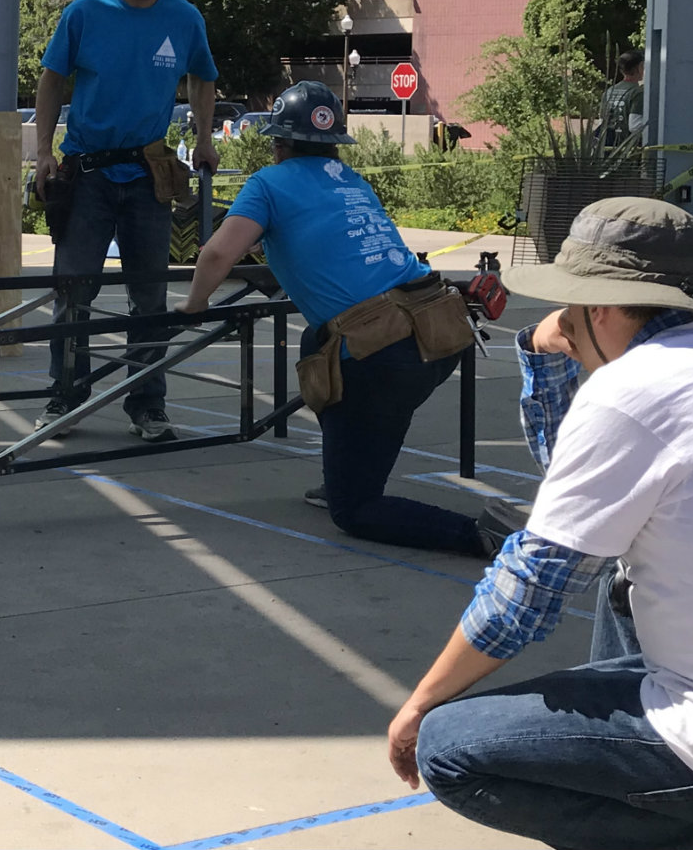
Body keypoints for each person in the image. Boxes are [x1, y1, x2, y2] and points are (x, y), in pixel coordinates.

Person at [387, 197, 693, 849]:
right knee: (614, 563)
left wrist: (417, 705)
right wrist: (543, 353)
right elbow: (577, 505)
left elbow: (531, 585)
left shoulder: (636, 385)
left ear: (601, 306)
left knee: (449, 746)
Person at [181, 81, 487, 555]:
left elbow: (217, 255)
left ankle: (481, 535)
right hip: (435, 329)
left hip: (379, 350)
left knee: (356, 511)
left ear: (278, 144)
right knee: (318, 349)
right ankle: (347, 473)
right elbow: (338, 248)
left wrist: (194, 306)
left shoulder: (267, 182)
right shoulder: (353, 182)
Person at [33, 0, 220, 443]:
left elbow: (202, 78)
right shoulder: (85, 14)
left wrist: (205, 139)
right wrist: (44, 150)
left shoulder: (184, 19)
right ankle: (65, 395)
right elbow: (51, 80)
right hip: (87, 174)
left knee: (150, 295)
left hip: (148, 174)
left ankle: (147, 405)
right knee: (73, 291)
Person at [600, 48, 647, 149]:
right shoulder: (638, 93)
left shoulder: (608, 92)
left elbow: (602, 121)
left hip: (606, 149)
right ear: (640, 67)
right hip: (627, 152)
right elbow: (635, 126)